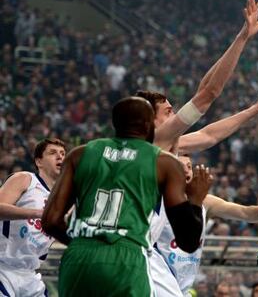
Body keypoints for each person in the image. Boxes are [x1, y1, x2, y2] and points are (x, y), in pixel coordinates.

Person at [42, 97, 212, 297]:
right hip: (127, 256)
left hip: (78, 256)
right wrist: (195, 200)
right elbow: (188, 242)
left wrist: (88, 243)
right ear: (149, 125)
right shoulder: (163, 162)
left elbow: (51, 220)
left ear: (115, 123)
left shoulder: (79, 154)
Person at [137, 0, 258, 153]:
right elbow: (209, 93)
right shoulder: (155, 140)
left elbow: (209, 135)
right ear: (149, 121)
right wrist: (242, 38)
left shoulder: (169, 142)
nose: (174, 114)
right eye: (167, 112)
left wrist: (256, 108)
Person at [151, 155, 258, 297]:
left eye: (189, 166)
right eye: (180, 166)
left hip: (184, 283)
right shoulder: (157, 198)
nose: (186, 170)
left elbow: (246, 213)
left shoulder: (206, 202)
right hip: (159, 275)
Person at [0, 138, 66, 297]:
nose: (60, 157)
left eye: (63, 154)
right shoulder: (26, 179)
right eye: (53, 153)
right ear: (39, 161)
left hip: (30, 274)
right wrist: (37, 213)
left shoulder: (62, 200)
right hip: (3, 268)